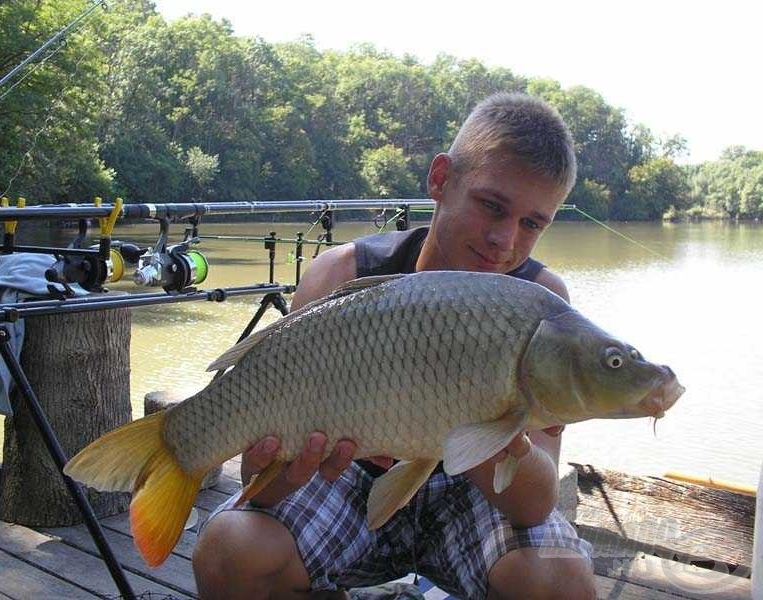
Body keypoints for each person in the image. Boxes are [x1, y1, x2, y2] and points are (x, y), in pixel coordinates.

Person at [193, 92, 596, 600]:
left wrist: (487, 435)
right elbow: (257, 479)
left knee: (560, 580)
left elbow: (534, 503)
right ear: (441, 179)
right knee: (231, 551)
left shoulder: (540, 306)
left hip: (471, 499)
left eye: (532, 223)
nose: (504, 239)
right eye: (491, 206)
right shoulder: (340, 277)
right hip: (345, 484)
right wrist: (290, 465)